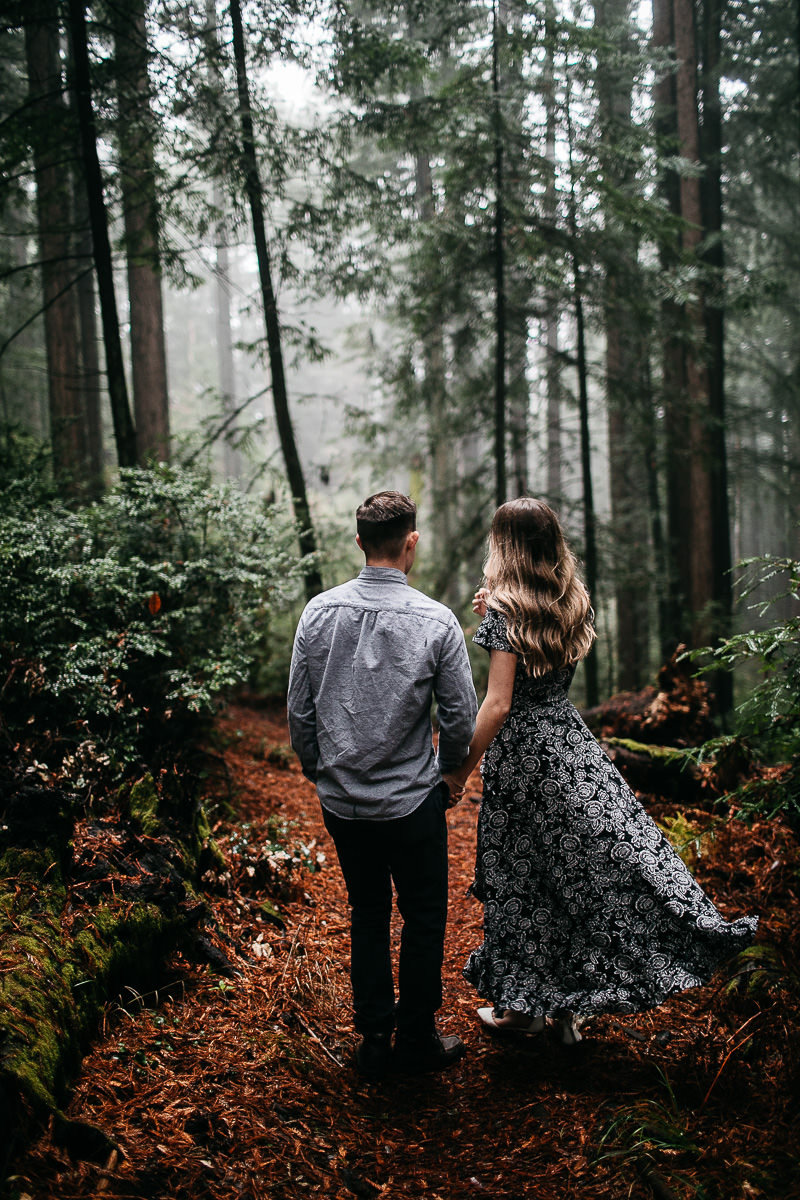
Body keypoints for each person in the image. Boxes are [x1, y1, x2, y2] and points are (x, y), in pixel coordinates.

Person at [443, 497, 758, 1046]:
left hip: (522, 756)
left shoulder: (506, 610)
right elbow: (542, 659)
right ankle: (561, 1013)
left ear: (506, 545)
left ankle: (526, 1012)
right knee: (570, 877)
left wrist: (460, 772)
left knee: (521, 881)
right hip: (568, 745)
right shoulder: (573, 599)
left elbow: (497, 704)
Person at [288, 490, 478, 1079]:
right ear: (411, 541)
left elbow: (300, 713)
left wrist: (321, 771)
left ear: (359, 542)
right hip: (412, 803)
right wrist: (448, 778)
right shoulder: (437, 621)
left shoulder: (319, 613)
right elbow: (461, 718)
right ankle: (416, 1038)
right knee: (423, 916)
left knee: (367, 911)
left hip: (344, 804)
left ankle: (374, 1040)